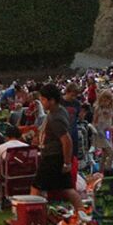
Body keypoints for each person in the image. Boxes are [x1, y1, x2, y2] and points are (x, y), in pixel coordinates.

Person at [31, 83, 81, 212]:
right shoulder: (57, 111)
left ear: (51, 100)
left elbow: (66, 140)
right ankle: (81, 213)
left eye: (43, 99)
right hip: (54, 155)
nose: (41, 102)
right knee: (67, 189)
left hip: (53, 157)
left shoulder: (56, 117)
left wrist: (67, 162)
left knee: (36, 187)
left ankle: (33, 216)